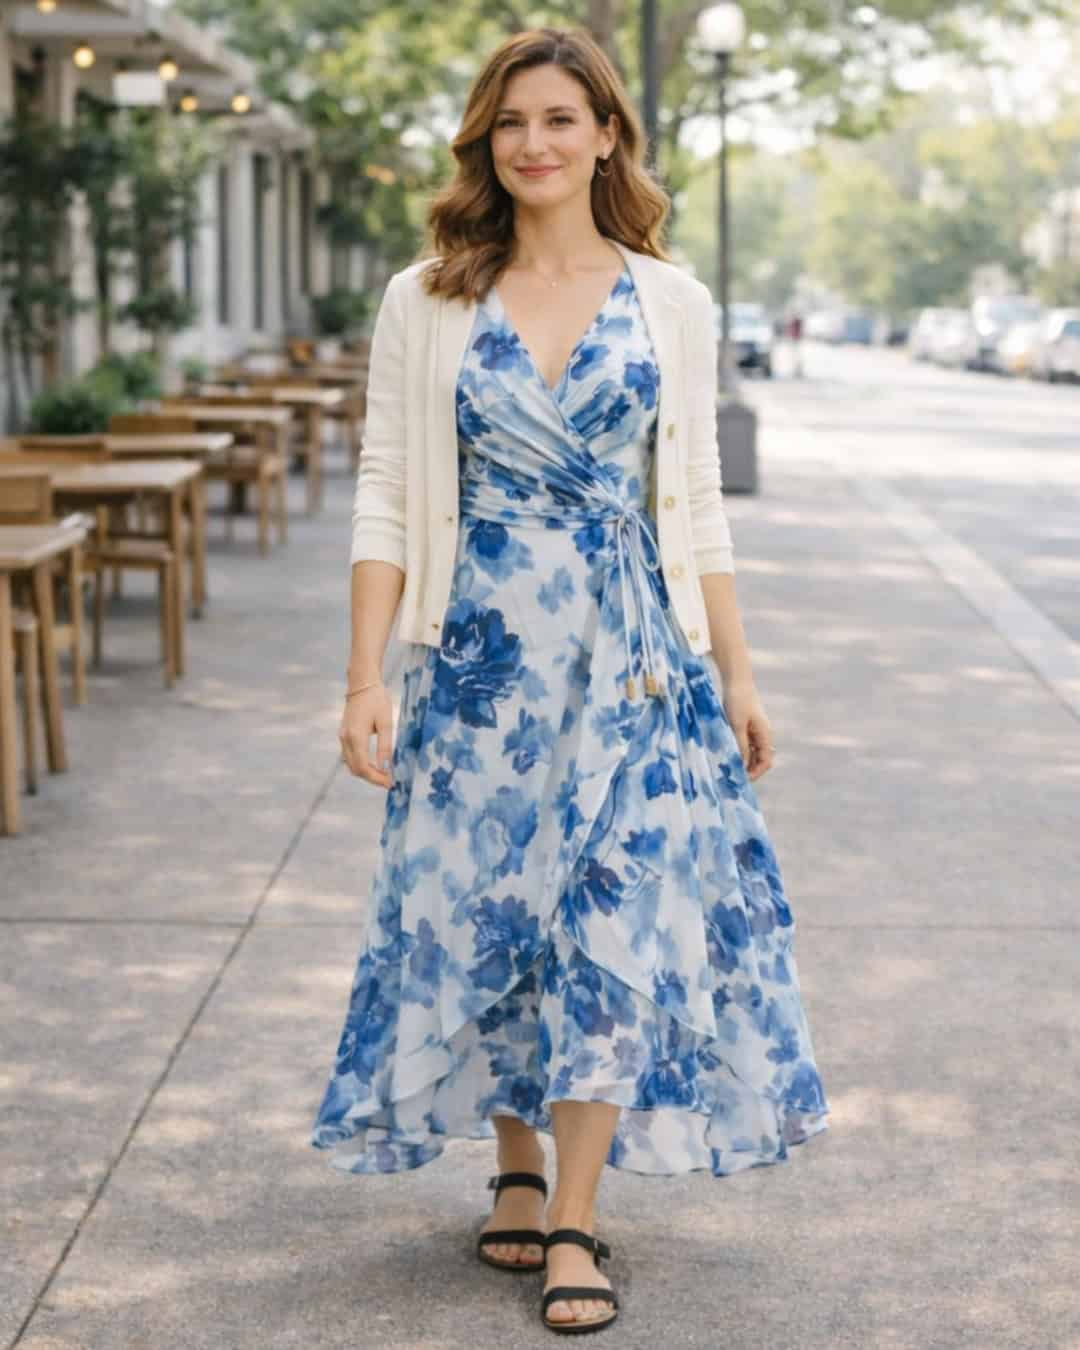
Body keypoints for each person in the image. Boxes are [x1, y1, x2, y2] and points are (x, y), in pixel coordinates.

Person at [310, 25, 830, 1337]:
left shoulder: (675, 301)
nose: (532, 142)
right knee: (493, 915)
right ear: (486, 142)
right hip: (479, 664)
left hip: (632, 665)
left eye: (559, 118)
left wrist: (740, 675)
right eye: (509, 122)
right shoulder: (424, 297)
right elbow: (384, 491)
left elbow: (697, 498)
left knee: (609, 925)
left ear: (608, 136)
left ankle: (578, 1218)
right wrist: (364, 675)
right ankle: (518, 1165)